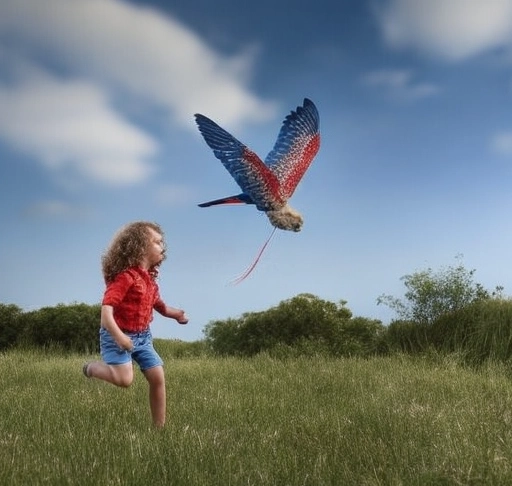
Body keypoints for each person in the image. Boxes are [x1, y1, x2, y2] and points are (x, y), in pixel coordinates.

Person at [83, 221, 188, 428]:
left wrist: (176, 314)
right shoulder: (125, 278)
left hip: (143, 337)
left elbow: (160, 306)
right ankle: (92, 368)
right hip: (116, 335)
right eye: (157, 242)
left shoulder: (149, 281)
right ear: (139, 246)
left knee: (158, 376)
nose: (162, 247)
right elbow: (106, 313)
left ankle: (159, 428)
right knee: (125, 380)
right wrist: (120, 337)